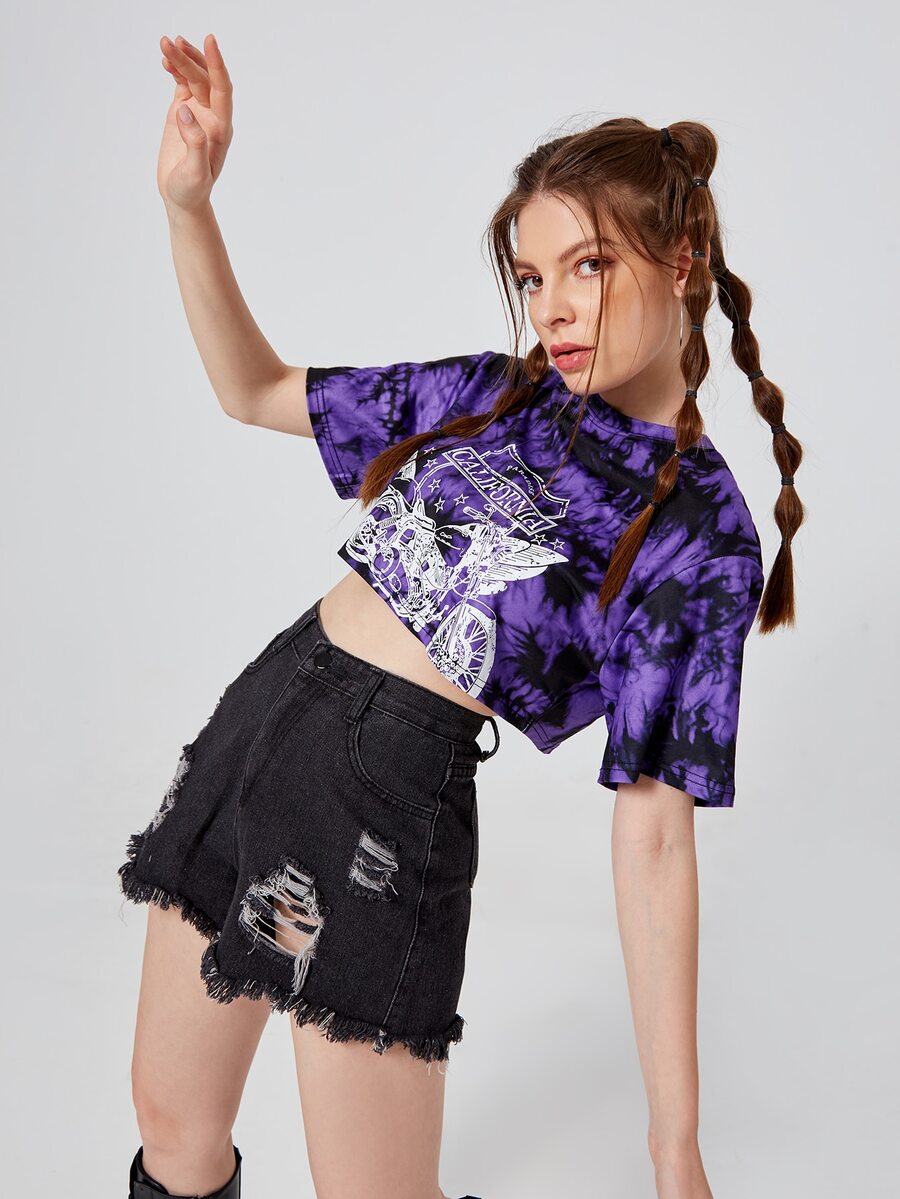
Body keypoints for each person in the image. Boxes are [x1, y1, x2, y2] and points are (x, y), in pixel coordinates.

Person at [117, 31, 804, 1199]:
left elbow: (653, 833)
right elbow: (253, 389)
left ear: (683, 260)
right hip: (268, 714)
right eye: (533, 278)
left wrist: (674, 1145)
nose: (555, 307)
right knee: (172, 1123)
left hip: (387, 797)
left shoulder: (698, 528)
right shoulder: (499, 393)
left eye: (588, 265)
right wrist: (188, 205)